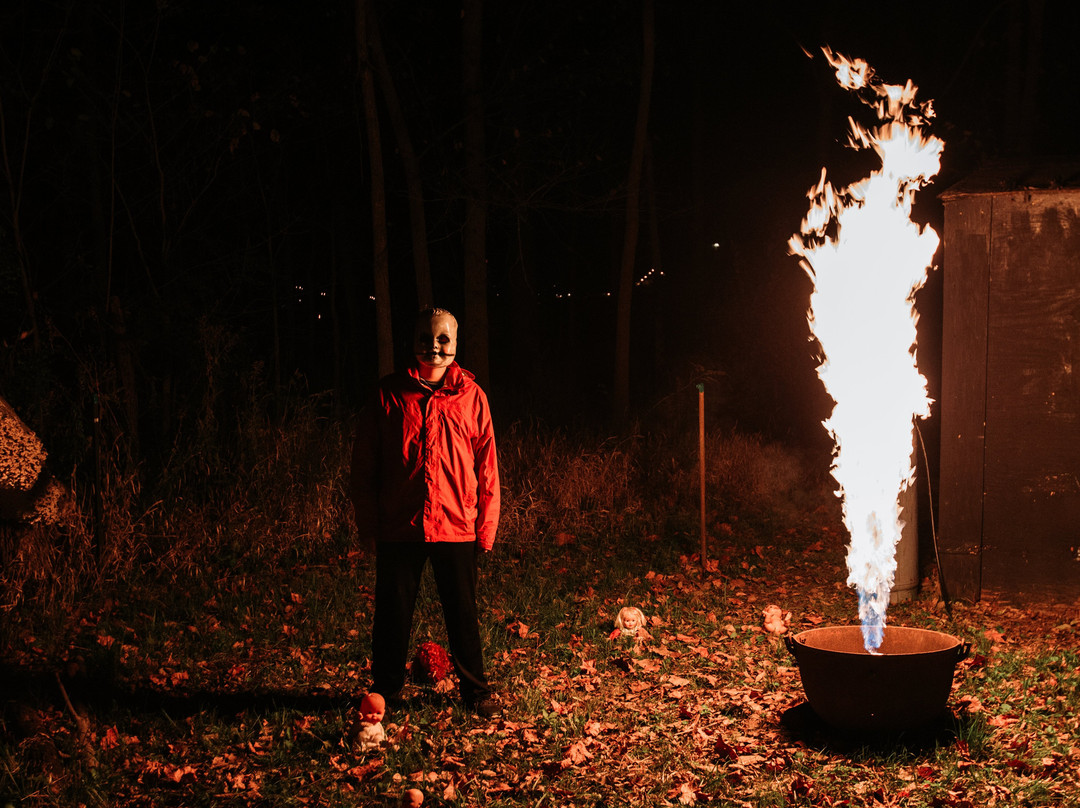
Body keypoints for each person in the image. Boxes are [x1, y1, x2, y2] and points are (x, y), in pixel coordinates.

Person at [350, 307, 501, 716]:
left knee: (462, 614)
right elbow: (364, 466)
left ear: (455, 342)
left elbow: (487, 468)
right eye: (425, 337)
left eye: (443, 338)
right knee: (392, 615)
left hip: (456, 525)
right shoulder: (388, 394)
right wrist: (368, 525)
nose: (434, 346)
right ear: (413, 340)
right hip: (400, 526)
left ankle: (475, 692)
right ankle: (385, 691)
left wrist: (486, 528)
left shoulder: (472, 397)